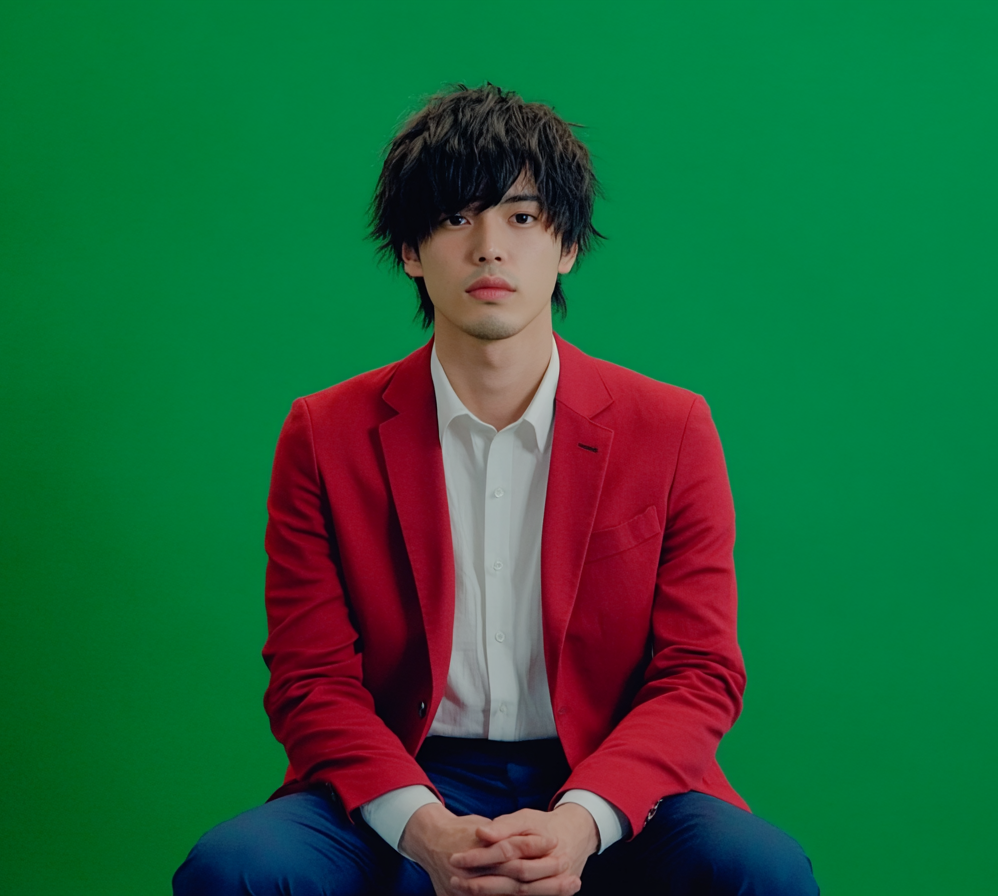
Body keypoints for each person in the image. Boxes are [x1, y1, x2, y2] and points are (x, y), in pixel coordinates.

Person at [174, 83, 818, 896]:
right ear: (410, 250)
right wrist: (425, 827)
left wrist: (581, 819)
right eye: (454, 217)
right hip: (405, 774)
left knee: (762, 870)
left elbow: (699, 671)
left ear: (567, 246)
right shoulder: (323, 434)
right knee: (234, 870)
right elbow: (310, 682)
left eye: (521, 216)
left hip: (606, 775)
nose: (489, 247)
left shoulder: (673, 427)